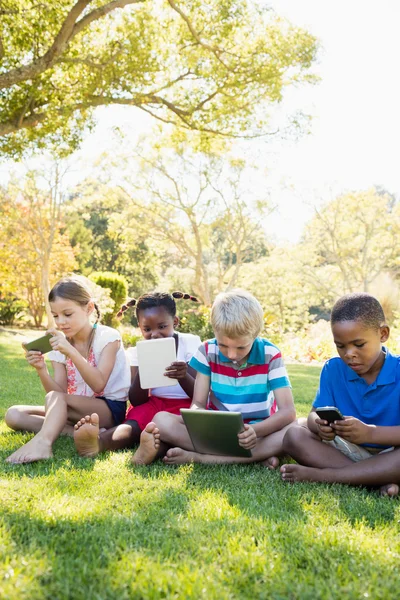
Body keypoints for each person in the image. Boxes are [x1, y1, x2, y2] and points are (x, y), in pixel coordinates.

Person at [130, 289, 296, 466]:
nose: (232, 354)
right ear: (215, 331)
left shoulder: (270, 354)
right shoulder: (207, 350)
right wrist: (198, 422)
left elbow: (288, 411)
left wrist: (255, 430)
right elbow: (198, 403)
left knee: (295, 429)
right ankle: (256, 457)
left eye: (241, 347)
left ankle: (200, 457)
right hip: (217, 430)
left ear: (255, 335)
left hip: (259, 431)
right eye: (223, 345)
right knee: (161, 420)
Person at [280, 293, 400, 497]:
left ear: (383, 334)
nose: (349, 354)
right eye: (341, 346)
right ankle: (379, 480)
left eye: (359, 344)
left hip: (391, 454)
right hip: (347, 452)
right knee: (293, 435)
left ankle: (325, 476)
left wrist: (370, 433)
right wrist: (319, 426)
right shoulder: (333, 369)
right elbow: (313, 415)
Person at [5, 276, 130, 464]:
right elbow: (58, 393)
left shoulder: (108, 337)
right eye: (55, 316)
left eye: (67, 314)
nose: (60, 322)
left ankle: (44, 443)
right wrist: (41, 369)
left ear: (88, 308)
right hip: (73, 409)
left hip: (108, 409)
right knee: (14, 414)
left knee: (55, 401)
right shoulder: (59, 344)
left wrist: (70, 351)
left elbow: (98, 384)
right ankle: (77, 432)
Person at [73, 291, 201, 459]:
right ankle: (98, 442)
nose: (154, 334)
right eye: (147, 329)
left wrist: (183, 375)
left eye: (162, 327)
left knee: (169, 432)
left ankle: (151, 450)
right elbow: (136, 400)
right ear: (140, 327)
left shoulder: (190, 343)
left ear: (175, 322)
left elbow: (198, 393)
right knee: (133, 425)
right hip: (154, 404)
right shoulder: (137, 352)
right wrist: (144, 370)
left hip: (185, 405)